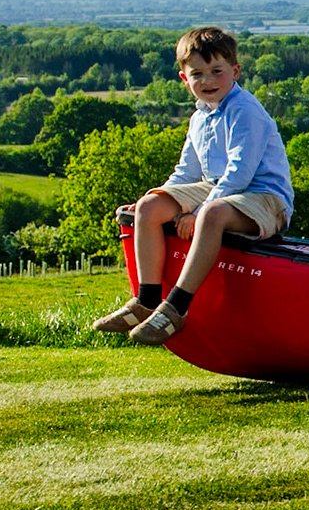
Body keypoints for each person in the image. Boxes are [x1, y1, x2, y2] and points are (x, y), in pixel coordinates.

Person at [91, 26, 294, 345]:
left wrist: (196, 213)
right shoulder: (199, 117)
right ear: (184, 79)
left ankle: (176, 308)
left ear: (235, 71)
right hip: (218, 189)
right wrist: (160, 196)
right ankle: (147, 299)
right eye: (197, 73)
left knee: (212, 215)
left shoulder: (246, 111)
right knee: (149, 206)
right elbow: (186, 173)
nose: (208, 81)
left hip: (264, 198)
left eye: (217, 71)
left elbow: (240, 173)